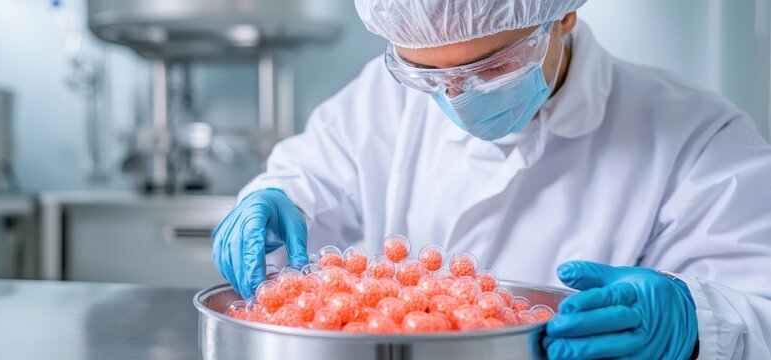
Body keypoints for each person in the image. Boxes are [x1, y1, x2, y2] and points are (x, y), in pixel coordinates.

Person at [212, 0, 771, 358]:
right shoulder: (380, 101)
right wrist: (273, 198)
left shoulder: (699, 136)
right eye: (427, 74)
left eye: (492, 68)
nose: (457, 96)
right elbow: (309, 178)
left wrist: (695, 324)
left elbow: (761, 309)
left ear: (564, 16)